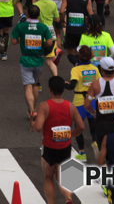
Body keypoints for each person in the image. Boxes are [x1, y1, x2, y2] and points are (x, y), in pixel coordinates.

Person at [32, 76, 84, 204]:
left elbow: (38, 127)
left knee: (48, 177)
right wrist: (69, 134)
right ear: (63, 90)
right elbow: (81, 127)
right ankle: (68, 198)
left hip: (49, 147)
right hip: (65, 148)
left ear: (50, 90)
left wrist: (33, 121)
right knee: (63, 177)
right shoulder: (70, 106)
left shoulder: (44, 106)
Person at [10, 4, 54, 117]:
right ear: (39, 15)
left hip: (25, 60)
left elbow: (13, 42)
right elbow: (50, 42)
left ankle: (32, 111)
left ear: (27, 14)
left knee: (27, 87)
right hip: (39, 60)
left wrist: (21, 40)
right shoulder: (43, 27)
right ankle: (33, 108)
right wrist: (41, 44)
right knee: (34, 84)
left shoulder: (21, 26)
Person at [64, 45, 99, 160]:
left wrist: (65, 84)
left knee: (79, 127)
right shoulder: (94, 68)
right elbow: (99, 84)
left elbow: (72, 85)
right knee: (93, 126)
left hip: (79, 102)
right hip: (92, 101)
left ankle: (82, 153)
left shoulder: (75, 69)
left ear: (78, 56)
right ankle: (95, 142)